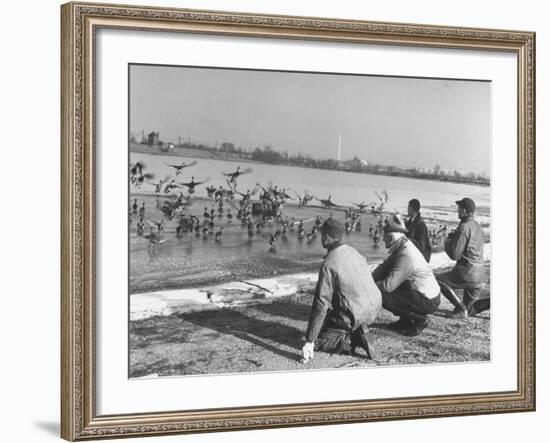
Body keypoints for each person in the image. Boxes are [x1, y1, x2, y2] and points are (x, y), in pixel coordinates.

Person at [302, 219, 381, 363]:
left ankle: (352, 338)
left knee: (319, 341)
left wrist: (310, 340)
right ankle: (358, 328)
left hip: (356, 313)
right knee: (327, 323)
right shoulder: (353, 251)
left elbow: (321, 303)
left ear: (326, 237)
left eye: (322, 235)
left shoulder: (329, 263)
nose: (320, 238)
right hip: (374, 309)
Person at [372, 214, 441, 336]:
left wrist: (372, 286)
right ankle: (405, 321)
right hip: (426, 295)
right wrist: (369, 279)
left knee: (382, 295)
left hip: (428, 300)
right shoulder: (403, 245)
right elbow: (384, 266)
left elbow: (388, 286)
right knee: (388, 279)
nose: (383, 239)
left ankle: (420, 319)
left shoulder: (406, 255)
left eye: (385, 236)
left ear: (392, 236)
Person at [438, 197, 487, 319]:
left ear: (464, 211)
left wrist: (447, 242)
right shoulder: (478, 227)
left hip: (467, 273)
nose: (457, 211)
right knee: (469, 309)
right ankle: (466, 308)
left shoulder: (464, 226)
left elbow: (455, 255)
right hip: (480, 276)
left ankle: (460, 308)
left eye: (459, 209)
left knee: (438, 280)